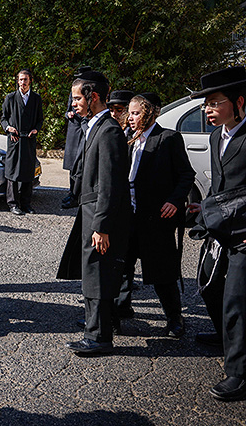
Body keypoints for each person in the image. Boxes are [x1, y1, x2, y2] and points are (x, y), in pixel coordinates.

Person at [57, 71, 130, 355]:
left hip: (100, 216)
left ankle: (98, 337)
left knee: (98, 273)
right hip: (90, 211)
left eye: (77, 98)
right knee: (91, 272)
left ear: (93, 97)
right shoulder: (94, 126)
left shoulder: (109, 130)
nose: (73, 104)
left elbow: (110, 184)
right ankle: (95, 324)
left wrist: (102, 225)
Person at [188, 66, 246, 401]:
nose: (208, 110)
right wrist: (204, 208)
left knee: (237, 298)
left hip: (244, 234)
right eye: (205, 104)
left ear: (239, 102)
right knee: (209, 285)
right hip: (220, 227)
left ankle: (238, 371)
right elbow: (220, 185)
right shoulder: (214, 137)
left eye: (214, 103)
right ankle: (227, 336)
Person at [116, 93, 194, 337]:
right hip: (128, 216)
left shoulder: (168, 138)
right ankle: (117, 312)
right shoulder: (127, 138)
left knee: (163, 272)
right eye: (129, 112)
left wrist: (174, 200)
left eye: (136, 113)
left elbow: (186, 175)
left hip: (155, 218)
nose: (130, 117)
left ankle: (174, 317)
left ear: (149, 113)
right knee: (122, 267)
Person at [0, 69, 43, 215]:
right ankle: (13, 204)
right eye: (20, 79)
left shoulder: (36, 99)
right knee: (12, 172)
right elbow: (3, 119)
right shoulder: (10, 98)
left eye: (25, 80)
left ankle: (26, 204)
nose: (23, 82)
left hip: (29, 140)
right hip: (15, 139)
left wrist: (36, 129)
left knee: (28, 172)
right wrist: (8, 128)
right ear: (17, 81)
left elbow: (40, 119)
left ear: (30, 81)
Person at [61, 66, 91, 209]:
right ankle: (71, 192)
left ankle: (79, 195)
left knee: (82, 164)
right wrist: (69, 114)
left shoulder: (91, 94)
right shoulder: (73, 92)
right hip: (74, 130)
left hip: (84, 129)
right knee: (72, 164)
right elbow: (67, 111)